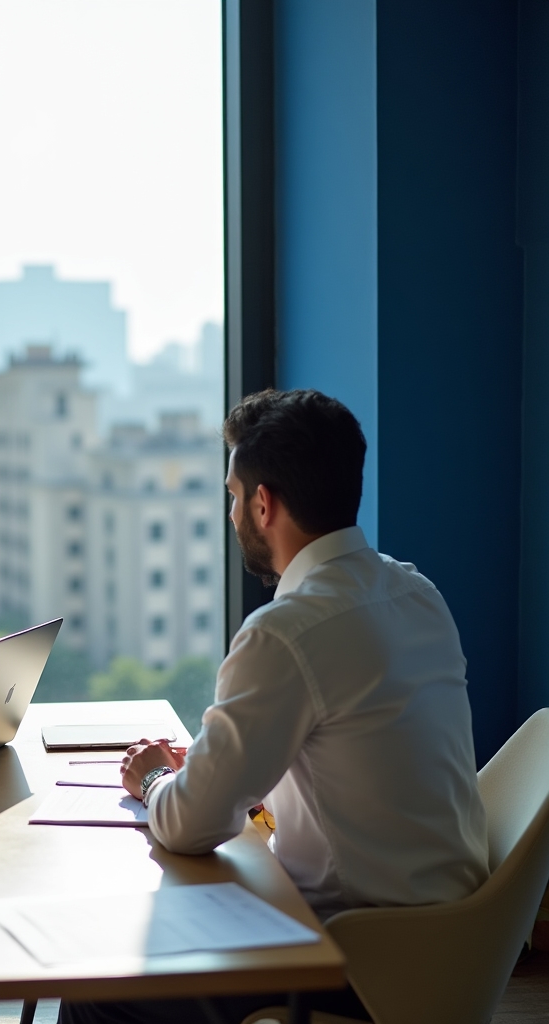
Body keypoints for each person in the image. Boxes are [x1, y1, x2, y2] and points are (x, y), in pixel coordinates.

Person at [61, 389, 489, 1024]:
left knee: (99, 985)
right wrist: (218, 766)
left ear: (264, 504)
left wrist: (154, 776)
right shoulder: (416, 592)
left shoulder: (285, 631)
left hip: (352, 964)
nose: (232, 512)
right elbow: (359, 760)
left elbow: (186, 825)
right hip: (453, 952)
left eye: (234, 496)